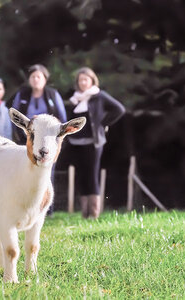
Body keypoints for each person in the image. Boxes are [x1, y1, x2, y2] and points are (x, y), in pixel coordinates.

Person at [66, 67, 125, 219]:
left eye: (86, 79)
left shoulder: (99, 96)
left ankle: (94, 212)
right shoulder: (75, 99)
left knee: (92, 175)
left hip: (94, 143)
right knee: (81, 176)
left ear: (92, 80)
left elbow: (119, 109)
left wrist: (103, 123)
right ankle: (84, 213)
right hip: (76, 142)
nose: (83, 83)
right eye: (81, 80)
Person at [11, 64, 67, 144]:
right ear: (29, 79)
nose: (35, 79)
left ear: (45, 79)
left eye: (38, 77)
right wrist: (17, 136)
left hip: (49, 139)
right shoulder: (22, 94)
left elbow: (62, 117)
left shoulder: (53, 94)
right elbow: (14, 115)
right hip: (26, 138)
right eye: (33, 77)